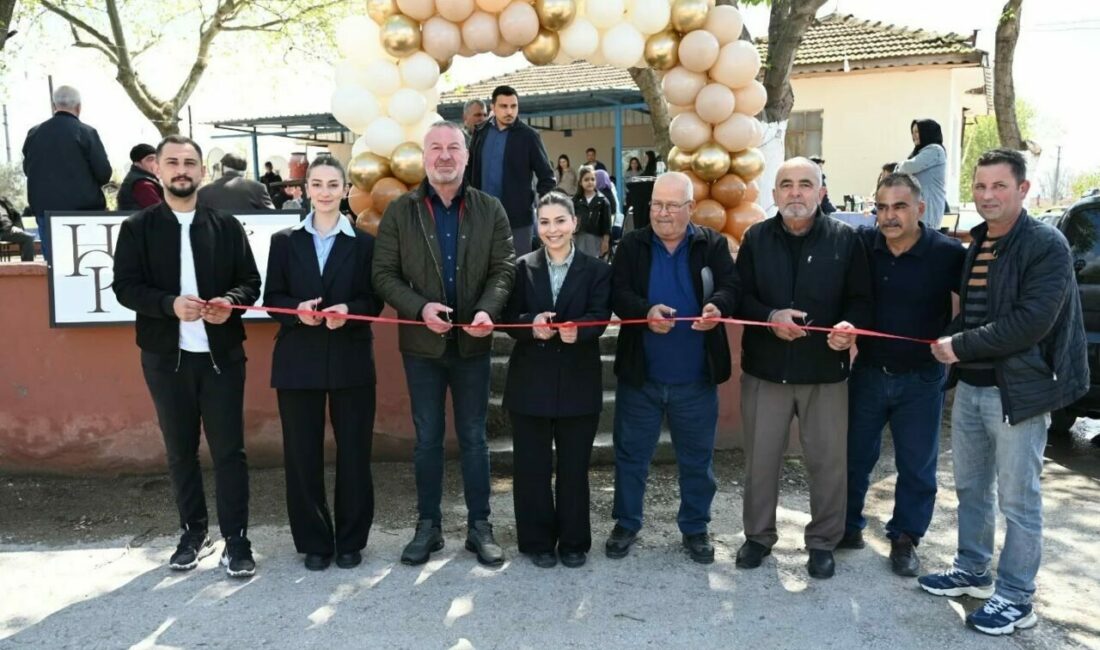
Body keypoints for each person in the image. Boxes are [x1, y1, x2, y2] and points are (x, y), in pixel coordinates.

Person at [919, 149, 1088, 636]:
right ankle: (973, 570)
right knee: (971, 487)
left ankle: (1016, 596)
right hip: (972, 389)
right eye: (980, 186)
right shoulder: (980, 242)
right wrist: (948, 339)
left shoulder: (1045, 244)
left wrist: (960, 344)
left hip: (1019, 393)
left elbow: (1031, 322)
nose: (987, 196)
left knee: (1019, 499)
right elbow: (975, 314)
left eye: (998, 186)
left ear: (1023, 190)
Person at [112, 135, 261, 578]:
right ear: (157, 169)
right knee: (180, 451)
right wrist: (169, 306)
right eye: (173, 162)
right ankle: (193, 533)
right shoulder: (137, 228)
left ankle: (236, 538)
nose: (181, 170)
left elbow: (250, 282)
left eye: (190, 163)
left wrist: (228, 303)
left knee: (230, 452)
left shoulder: (226, 226)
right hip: (165, 358)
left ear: (202, 172)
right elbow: (126, 288)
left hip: (222, 357)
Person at [372, 120, 516, 567]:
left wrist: (487, 311)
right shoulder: (401, 210)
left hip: (473, 345)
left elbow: (505, 268)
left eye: (453, 147)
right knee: (428, 440)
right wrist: (420, 310)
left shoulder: (490, 208)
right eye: (435, 148)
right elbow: (383, 274)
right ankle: (428, 527)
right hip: (422, 346)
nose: (445, 156)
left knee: (474, 439)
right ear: (424, 157)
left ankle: (480, 527)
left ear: (466, 156)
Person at [734, 156, 872, 580]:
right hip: (766, 371)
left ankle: (823, 542)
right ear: (774, 195)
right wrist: (771, 315)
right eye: (787, 184)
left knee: (828, 462)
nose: (796, 192)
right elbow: (739, 298)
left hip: (825, 372)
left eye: (805, 184)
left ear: (822, 192)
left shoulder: (848, 240)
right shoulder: (756, 238)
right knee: (761, 460)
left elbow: (861, 300)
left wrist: (849, 329)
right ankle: (758, 537)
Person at [605, 171, 740, 564]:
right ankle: (626, 523)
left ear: (690, 208)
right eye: (656, 206)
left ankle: (696, 527)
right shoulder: (632, 244)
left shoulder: (711, 244)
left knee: (697, 459)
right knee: (631, 455)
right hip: (641, 376)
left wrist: (719, 306)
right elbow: (618, 292)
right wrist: (643, 311)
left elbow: (733, 285)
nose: (662, 214)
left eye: (670, 206)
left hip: (696, 377)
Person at [840, 172, 965, 578]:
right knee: (855, 457)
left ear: (921, 209)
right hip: (870, 371)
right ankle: (847, 526)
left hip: (923, 378)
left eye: (899, 207)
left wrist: (950, 337)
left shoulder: (947, 253)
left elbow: (975, 305)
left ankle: (905, 538)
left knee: (916, 466)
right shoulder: (862, 246)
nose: (889, 216)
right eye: (882, 207)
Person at [263, 156, 382, 571]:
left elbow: (375, 301)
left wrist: (349, 308)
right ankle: (314, 540)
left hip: (350, 358)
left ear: (346, 189)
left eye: (334, 184)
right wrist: (296, 310)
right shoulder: (284, 240)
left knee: (354, 452)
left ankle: (350, 540)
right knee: (301, 454)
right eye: (318, 184)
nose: (326, 191)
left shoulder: (365, 243)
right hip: (298, 360)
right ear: (305, 189)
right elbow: (271, 298)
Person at [503, 192, 612, 569]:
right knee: (531, 467)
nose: (553, 230)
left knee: (573, 467)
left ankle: (574, 542)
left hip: (578, 383)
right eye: (545, 222)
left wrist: (579, 331)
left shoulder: (597, 269)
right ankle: (537, 542)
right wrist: (529, 326)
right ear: (537, 225)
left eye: (560, 221)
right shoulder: (520, 267)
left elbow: (601, 316)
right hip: (530, 382)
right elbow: (508, 317)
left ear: (574, 223)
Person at [21, 85, 111, 263]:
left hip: (47, 213)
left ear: (55, 106)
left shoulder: (34, 133)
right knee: (88, 264)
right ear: (79, 107)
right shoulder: (86, 132)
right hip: (85, 214)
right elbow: (103, 173)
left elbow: (27, 169)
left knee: (55, 269)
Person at [466, 85, 556, 256]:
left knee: (518, 271)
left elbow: (547, 178)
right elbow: (470, 172)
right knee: (482, 270)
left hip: (518, 221)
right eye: (504, 106)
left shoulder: (529, 136)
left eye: (513, 106)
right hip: (481, 218)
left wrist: (538, 207)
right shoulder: (480, 132)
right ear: (493, 107)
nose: (509, 111)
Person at [896, 119, 947, 231]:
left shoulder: (935, 150)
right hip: (917, 207)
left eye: (918, 132)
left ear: (927, 132)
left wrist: (898, 166)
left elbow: (908, 167)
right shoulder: (920, 152)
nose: (914, 136)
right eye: (913, 132)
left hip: (929, 208)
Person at [197, 153, 276, 211]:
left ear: (222, 168)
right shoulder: (258, 188)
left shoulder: (203, 192)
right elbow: (272, 217)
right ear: (244, 169)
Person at [572, 165, 611, 259]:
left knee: (593, 265)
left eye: (592, 179)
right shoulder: (575, 201)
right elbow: (570, 219)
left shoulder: (602, 201)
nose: (590, 182)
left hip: (595, 239)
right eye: (586, 179)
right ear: (580, 182)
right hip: (578, 238)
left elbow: (607, 224)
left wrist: (605, 241)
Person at [117, 143, 164, 211]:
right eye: (150, 159)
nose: (156, 163)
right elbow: (160, 212)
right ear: (137, 164)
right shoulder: (142, 184)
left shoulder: (138, 178)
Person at [0, 197, 35, 261]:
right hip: (1, 232)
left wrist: (17, 227)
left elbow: (17, 215)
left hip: (10, 230)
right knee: (28, 238)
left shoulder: (3, 201)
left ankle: (27, 267)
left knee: (28, 238)